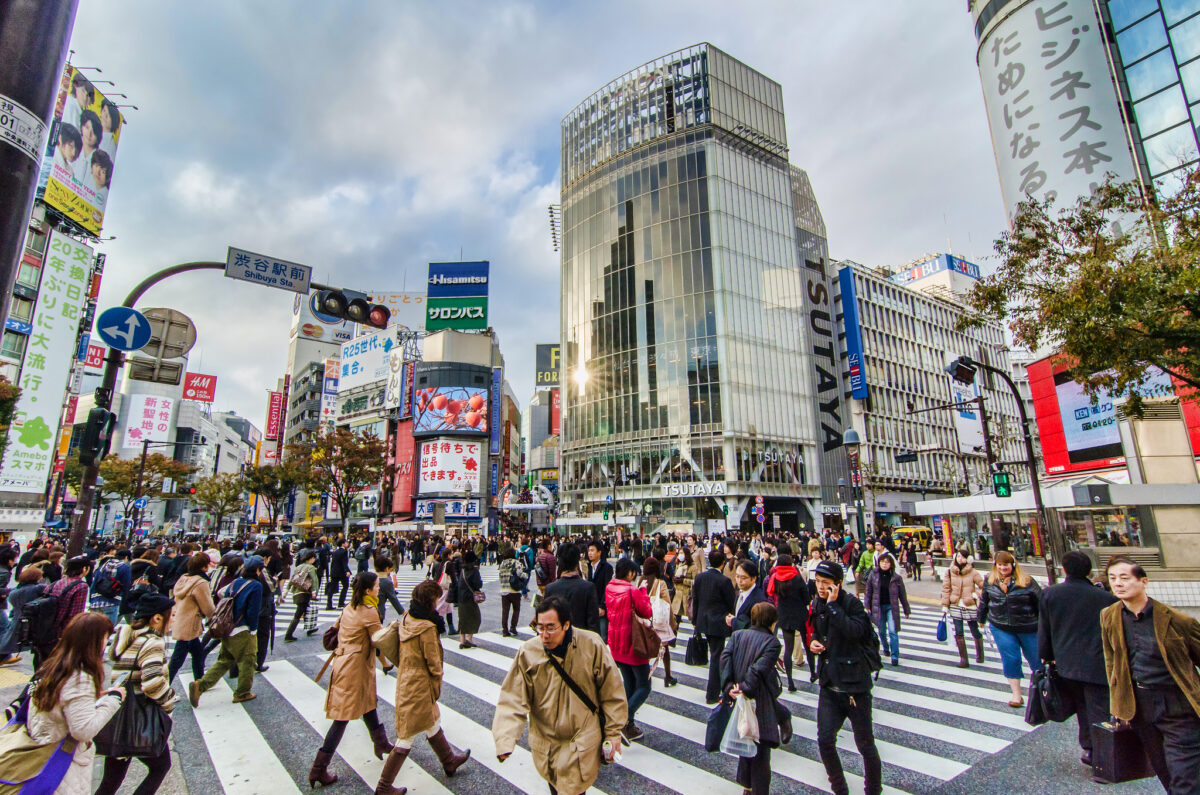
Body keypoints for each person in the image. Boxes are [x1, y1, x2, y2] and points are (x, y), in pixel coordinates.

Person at [493, 595, 627, 795]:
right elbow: (512, 697)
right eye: (540, 627)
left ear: (566, 625)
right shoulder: (529, 652)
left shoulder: (591, 645)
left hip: (581, 740)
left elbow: (612, 692)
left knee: (572, 790)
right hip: (546, 743)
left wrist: (613, 733)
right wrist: (505, 738)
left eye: (550, 627)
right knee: (556, 788)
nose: (544, 634)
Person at [1101, 555, 1200, 793]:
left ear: (1143, 581)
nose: (1118, 584)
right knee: (1164, 770)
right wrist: (1118, 704)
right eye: (1113, 578)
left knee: (1185, 777)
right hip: (1140, 705)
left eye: (1125, 578)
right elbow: (1111, 660)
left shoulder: (1178, 620)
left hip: (1178, 705)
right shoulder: (1108, 615)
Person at [373, 580, 471, 795]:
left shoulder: (409, 617)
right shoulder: (427, 627)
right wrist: (436, 684)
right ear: (430, 601)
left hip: (406, 677)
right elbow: (433, 662)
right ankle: (383, 787)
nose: (438, 603)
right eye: (436, 599)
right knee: (406, 737)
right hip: (419, 684)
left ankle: (449, 760)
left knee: (432, 722)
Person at [307, 572, 395, 788]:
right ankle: (319, 768)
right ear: (367, 590)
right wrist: (395, 633)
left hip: (346, 663)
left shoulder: (350, 606)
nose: (378, 589)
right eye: (376, 586)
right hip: (354, 668)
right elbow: (379, 640)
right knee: (342, 717)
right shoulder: (369, 611)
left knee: (367, 702)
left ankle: (381, 743)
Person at [25, 612, 124, 795]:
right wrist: (113, 700)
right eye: (104, 638)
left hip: (41, 752)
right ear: (91, 641)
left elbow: (60, 704)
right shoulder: (80, 677)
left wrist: (91, 698)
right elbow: (83, 730)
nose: (106, 644)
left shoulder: (53, 666)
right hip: (62, 765)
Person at [1038, 550, 1117, 767]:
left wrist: (1046, 656)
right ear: (1089, 570)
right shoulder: (1106, 598)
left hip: (1066, 663)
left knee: (1082, 706)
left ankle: (1089, 748)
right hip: (1098, 662)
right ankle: (1102, 755)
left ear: (1064, 569)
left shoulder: (1050, 594)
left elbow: (1045, 628)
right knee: (1100, 708)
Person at [809, 560, 882, 795]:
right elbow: (817, 633)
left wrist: (833, 606)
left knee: (865, 745)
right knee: (825, 740)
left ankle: (873, 789)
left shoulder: (851, 605)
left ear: (838, 584)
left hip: (855, 686)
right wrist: (813, 643)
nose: (821, 588)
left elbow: (854, 631)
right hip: (830, 684)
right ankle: (839, 788)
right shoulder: (817, 604)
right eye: (818, 582)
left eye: (826, 584)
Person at [95, 592, 178, 795]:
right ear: (157, 618)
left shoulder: (128, 637)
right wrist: (169, 702)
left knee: (111, 779)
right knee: (160, 767)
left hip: (118, 713)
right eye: (171, 615)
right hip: (138, 716)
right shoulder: (152, 642)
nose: (173, 619)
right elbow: (152, 683)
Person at [720, 602, 789, 795]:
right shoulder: (772, 643)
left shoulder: (737, 635)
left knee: (745, 743)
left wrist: (729, 687)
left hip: (738, 697)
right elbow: (759, 668)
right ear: (772, 623)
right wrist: (745, 688)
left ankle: (747, 788)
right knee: (760, 751)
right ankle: (757, 790)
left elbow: (725, 659)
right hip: (759, 700)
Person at [188, 557, 264, 706]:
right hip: (242, 629)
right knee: (248, 661)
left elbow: (221, 593)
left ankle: (200, 685)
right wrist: (254, 629)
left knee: (224, 661)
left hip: (227, 627)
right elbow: (253, 611)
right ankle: (242, 693)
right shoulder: (256, 585)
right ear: (257, 570)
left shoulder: (235, 582)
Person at [976, 550, 1042, 708]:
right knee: (1011, 659)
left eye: (1005, 565)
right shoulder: (990, 580)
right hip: (1001, 626)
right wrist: (980, 618)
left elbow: (1041, 603)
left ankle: (1041, 692)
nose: (1002, 568)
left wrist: (1046, 624)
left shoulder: (1027, 581)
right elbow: (984, 601)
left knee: (1036, 660)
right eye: (999, 565)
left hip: (1028, 626)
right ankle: (1016, 695)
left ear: (1013, 565)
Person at [605, 557, 654, 742]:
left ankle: (626, 723)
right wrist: (643, 590)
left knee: (629, 682)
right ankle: (624, 720)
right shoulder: (632, 590)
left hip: (617, 644)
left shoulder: (610, 587)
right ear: (630, 573)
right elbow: (646, 611)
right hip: (634, 644)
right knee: (644, 685)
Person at [692, 549, 737, 703]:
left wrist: (694, 622)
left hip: (703, 620)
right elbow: (732, 603)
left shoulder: (700, 578)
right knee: (716, 657)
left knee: (715, 655)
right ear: (723, 563)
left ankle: (714, 690)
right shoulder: (724, 581)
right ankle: (712, 694)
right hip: (718, 622)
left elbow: (695, 600)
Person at [168, 553, 216, 683]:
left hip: (181, 619)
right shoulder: (200, 583)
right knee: (177, 659)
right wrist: (215, 617)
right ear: (204, 566)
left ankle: (200, 682)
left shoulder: (184, 578)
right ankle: (165, 687)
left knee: (197, 653)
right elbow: (207, 606)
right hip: (191, 623)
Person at [767, 553, 809, 691]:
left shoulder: (775, 578)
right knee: (806, 643)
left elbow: (770, 592)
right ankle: (814, 672)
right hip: (800, 613)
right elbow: (806, 596)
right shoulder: (796, 578)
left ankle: (790, 681)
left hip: (784, 615)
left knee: (788, 648)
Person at [939, 550, 985, 668]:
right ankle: (964, 659)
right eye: (958, 556)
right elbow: (946, 588)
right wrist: (945, 605)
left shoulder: (973, 572)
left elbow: (984, 586)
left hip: (970, 604)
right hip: (955, 604)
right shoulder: (949, 572)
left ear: (968, 559)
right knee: (959, 632)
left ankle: (980, 654)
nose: (960, 559)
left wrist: (977, 594)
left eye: (963, 557)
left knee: (974, 629)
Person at [864, 551, 910, 667]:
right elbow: (868, 591)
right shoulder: (873, 575)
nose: (884, 564)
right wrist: (867, 605)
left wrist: (906, 609)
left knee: (893, 631)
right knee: (882, 631)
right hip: (878, 607)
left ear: (891, 564)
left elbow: (902, 595)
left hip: (891, 607)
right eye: (882, 562)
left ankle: (895, 656)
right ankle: (885, 647)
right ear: (879, 563)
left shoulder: (896, 578)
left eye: (887, 562)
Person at [545, 542, 600, 633]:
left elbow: (546, 621)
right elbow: (593, 623)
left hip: (558, 641)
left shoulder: (550, 589)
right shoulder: (588, 587)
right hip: (582, 641)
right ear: (576, 562)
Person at [639, 556, 677, 687]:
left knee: (645, 648)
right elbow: (668, 605)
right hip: (659, 622)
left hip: (645, 621)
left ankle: (644, 676)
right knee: (664, 649)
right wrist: (673, 624)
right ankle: (668, 676)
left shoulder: (641, 581)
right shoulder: (660, 583)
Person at [0, 567, 44, 664]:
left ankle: (4, 657)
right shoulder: (38, 588)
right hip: (33, 621)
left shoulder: (15, 592)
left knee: (8, 635)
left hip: (18, 618)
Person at [284, 549, 319, 642]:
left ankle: (310, 628)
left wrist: (286, 590)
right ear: (311, 559)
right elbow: (314, 580)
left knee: (306, 610)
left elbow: (292, 579)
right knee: (298, 614)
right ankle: (288, 634)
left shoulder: (299, 567)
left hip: (296, 592)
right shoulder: (311, 568)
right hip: (304, 593)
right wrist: (315, 591)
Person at [585, 539, 613, 642]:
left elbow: (607, 588)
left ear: (599, 552)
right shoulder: (587, 567)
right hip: (590, 607)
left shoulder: (606, 568)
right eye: (589, 551)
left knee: (602, 637)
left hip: (601, 608)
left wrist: (602, 606)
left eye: (592, 550)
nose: (590, 553)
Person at [455, 550, 484, 649]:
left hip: (461, 597)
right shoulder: (474, 570)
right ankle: (469, 639)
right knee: (475, 617)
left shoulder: (462, 570)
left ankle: (462, 641)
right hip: (470, 598)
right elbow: (478, 584)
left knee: (462, 619)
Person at [730, 560, 768, 632]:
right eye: (737, 576)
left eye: (743, 578)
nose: (739, 581)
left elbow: (758, 628)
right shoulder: (739, 593)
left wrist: (733, 621)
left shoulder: (759, 600)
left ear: (754, 578)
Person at [498, 546, 527, 637]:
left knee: (505, 611)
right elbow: (520, 574)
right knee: (516, 609)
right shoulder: (517, 563)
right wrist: (525, 575)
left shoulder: (502, 564)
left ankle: (504, 630)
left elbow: (500, 576)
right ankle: (513, 627)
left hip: (504, 590)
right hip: (514, 590)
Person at [374, 556, 405, 623]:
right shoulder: (386, 582)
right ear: (386, 569)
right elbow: (393, 599)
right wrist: (403, 612)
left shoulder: (370, 578)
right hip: (378, 612)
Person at [328, 539, 350, 610]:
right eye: (346, 542)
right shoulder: (344, 552)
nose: (347, 544)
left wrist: (331, 572)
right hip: (342, 572)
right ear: (343, 544)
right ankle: (341, 602)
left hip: (334, 572)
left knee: (331, 588)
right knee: (345, 586)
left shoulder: (335, 552)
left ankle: (329, 604)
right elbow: (344, 563)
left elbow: (333, 563)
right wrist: (347, 571)